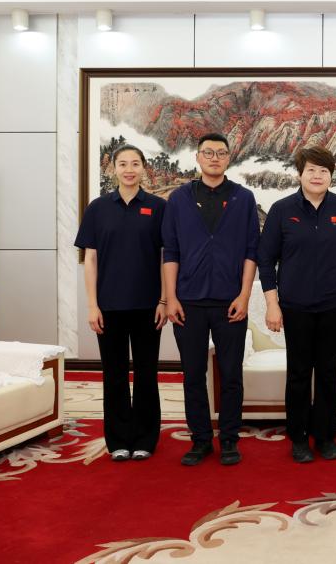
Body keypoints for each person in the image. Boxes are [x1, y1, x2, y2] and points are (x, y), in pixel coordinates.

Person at [257, 146, 336, 463]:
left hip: (334, 305)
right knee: (299, 373)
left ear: (331, 176)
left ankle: (326, 435)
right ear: (300, 174)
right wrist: (272, 304)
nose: (317, 176)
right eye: (311, 170)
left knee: (329, 372)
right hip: (295, 306)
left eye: (324, 171)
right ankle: (299, 437)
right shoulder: (282, 210)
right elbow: (266, 260)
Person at [162, 133, 260, 467]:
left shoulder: (243, 198)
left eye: (220, 153)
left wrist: (244, 296)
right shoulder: (179, 199)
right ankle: (201, 439)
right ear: (198, 157)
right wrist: (171, 298)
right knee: (192, 375)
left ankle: (229, 439)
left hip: (230, 302)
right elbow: (170, 252)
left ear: (229, 158)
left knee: (231, 374)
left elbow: (251, 251)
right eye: (208, 152)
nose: (214, 158)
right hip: (188, 302)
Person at [75, 144, 166, 462]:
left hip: (148, 305)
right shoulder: (98, 208)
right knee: (113, 374)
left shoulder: (158, 207)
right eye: (123, 163)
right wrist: (92, 305)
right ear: (113, 168)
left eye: (135, 163)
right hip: (109, 306)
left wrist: (164, 299)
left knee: (146, 373)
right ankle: (117, 440)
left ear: (144, 168)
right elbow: (90, 260)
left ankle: (145, 439)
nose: (129, 169)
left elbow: (165, 257)